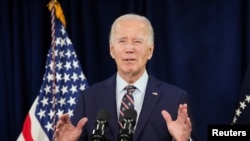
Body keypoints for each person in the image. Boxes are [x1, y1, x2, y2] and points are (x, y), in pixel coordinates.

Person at [54, 13, 198, 141]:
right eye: (122, 41)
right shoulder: (89, 98)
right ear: (112, 50)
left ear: (150, 50)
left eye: (137, 41)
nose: (129, 49)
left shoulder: (174, 99)